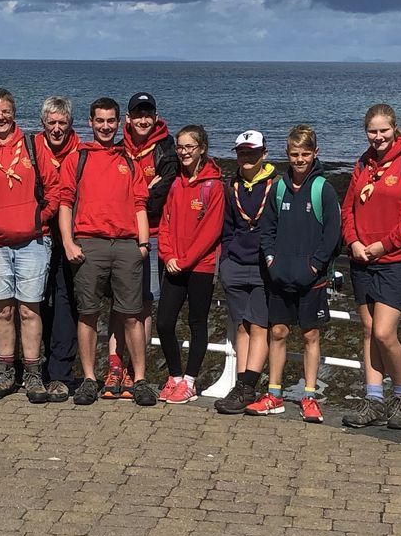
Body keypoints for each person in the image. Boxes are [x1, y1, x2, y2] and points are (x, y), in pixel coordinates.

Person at [0, 88, 64, 403]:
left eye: (5, 111)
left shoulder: (34, 145)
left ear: (14, 112)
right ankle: (6, 369)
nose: (0, 117)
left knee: (29, 308)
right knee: (3, 309)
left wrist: (38, 220)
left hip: (34, 241)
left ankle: (34, 373)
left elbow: (54, 188)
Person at [340, 103, 401, 428]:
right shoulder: (363, 162)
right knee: (368, 331)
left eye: (384, 130)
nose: (378, 137)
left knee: (384, 332)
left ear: (395, 128)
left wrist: (383, 245)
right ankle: (374, 399)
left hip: (398, 261)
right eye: (372, 131)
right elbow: (348, 208)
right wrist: (353, 242)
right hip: (362, 259)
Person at [59, 98, 156, 406]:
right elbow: (65, 203)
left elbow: (140, 204)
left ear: (119, 123)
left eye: (110, 121)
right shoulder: (78, 159)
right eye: (99, 120)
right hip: (89, 243)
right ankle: (89, 378)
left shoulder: (128, 160)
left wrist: (142, 244)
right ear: (90, 122)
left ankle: (139, 379)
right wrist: (68, 242)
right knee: (88, 314)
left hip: (126, 245)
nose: (105, 126)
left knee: (132, 315)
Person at [253, 126, 341, 423]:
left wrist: (315, 265)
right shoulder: (278, 187)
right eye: (294, 154)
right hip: (280, 274)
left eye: (305, 154)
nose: (300, 159)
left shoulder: (323, 189)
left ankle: (310, 396)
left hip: (311, 278)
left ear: (315, 153)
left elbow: (332, 235)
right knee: (277, 332)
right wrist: (271, 261)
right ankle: (274, 394)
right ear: (287, 155)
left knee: (310, 334)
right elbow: (267, 229)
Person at [155, 126, 223, 405]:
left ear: (202, 148)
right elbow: (166, 222)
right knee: (164, 322)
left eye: (189, 147)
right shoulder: (175, 183)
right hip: (174, 265)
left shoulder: (214, 185)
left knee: (196, 322)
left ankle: (190, 381)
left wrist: (184, 261)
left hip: (200, 267)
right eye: (180, 147)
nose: (183, 152)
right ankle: (174, 376)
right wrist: (168, 255)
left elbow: (211, 231)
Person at [112, 92, 175, 389]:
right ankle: (116, 367)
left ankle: (138, 369)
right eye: (137, 114)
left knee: (145, 304)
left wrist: (138, 198)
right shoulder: (116, 147)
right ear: (128, 118)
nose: (143, 119)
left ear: (156, 116)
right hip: (122, 235)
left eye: (148, 113)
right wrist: (142, 192)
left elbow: (166, 188)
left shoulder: (165, 147)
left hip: (152, 234)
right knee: (120, 304)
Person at [214, 131, 277, 415]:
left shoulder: (276, 186)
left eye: (252, 152)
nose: (246, 158)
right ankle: (240, 385)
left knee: (259, 325)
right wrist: (225, 261)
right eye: (241, 152)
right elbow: (227, 227)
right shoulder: (232, 186)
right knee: (241, 325)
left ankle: (249, 385)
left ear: (263, 153)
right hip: (236, 265)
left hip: (264, 267)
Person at [34, 96, 83, 399]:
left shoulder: (81, 151)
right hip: (37, 231)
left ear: (70, 124)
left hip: (71, 234)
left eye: (62, 123)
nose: (56, 128)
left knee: (66, 301)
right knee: (36, 301)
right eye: (51, 123)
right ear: (43, 124)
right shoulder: (31, 147)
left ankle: (61, 373)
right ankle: (34, 367)